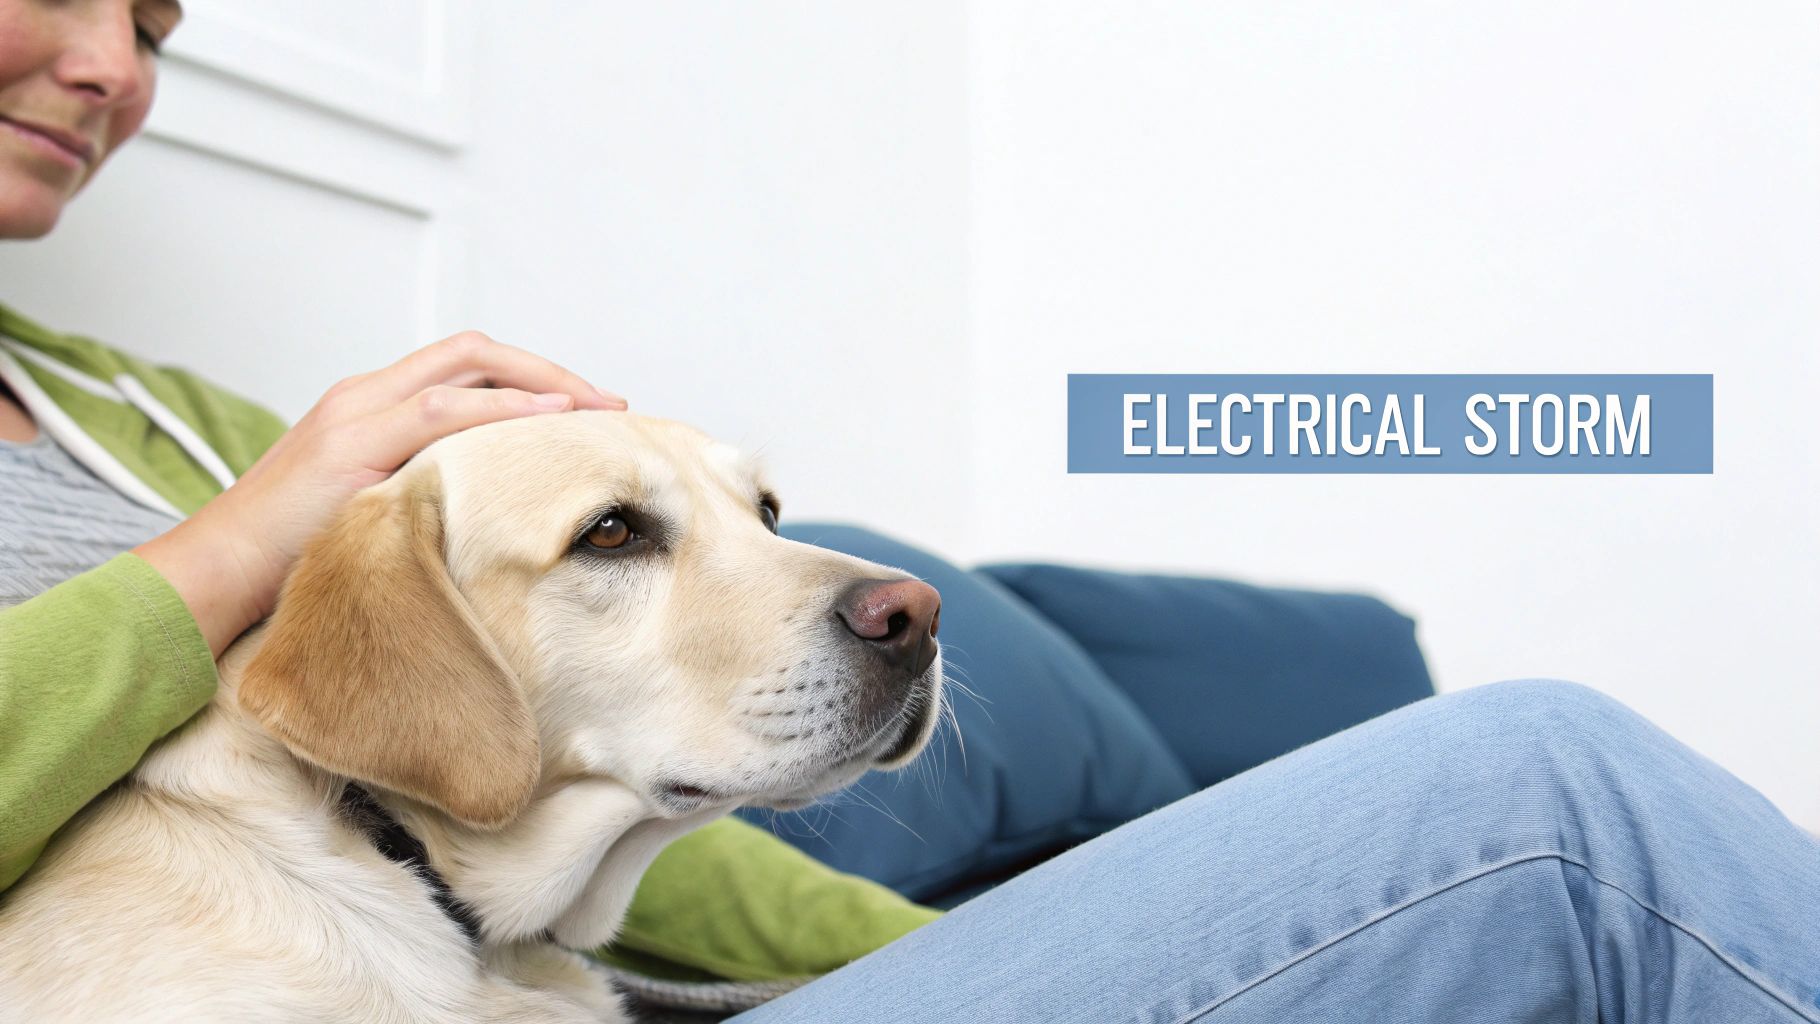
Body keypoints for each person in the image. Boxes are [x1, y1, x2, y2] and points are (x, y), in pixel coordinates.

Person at [2, 4, 1815, 1022]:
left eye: (155, 18)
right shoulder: (277, 503)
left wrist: (1053, 954)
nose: (117, 63)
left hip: (563, 971)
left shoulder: (157, 419)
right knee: (1550, 804)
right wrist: (250, 539)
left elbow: (625, 817)